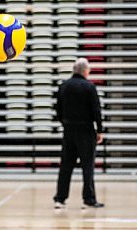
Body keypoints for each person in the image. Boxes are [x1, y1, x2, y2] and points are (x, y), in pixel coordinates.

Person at [53, 58, 104, 209]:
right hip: (86, 130)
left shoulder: (63, 86)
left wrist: (65, 124)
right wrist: (99, 130)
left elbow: (58, 110)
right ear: (84, 70)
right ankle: (89, 199)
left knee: (66, 166)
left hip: (68, 130)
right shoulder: (89, 87)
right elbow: (96, 111)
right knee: (87, 166)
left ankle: (60, 199)